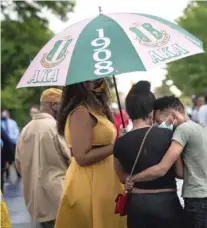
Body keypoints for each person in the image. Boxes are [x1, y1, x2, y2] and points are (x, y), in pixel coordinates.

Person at [127, 95, 207, 228]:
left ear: (173, 114)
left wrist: (132, 178)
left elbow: (161, 168)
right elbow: (180, 173)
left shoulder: (183, 129)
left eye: (159, 121)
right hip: (204, 200)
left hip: (199, 202)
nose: (159, 126)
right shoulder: (198, 127)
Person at [55, 78, 126, 228]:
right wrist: (117, 145)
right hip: (90, 181)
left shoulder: (96, 111)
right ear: (78, 85)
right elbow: (82, 157)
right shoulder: (80, 113)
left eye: (99, 81)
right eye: (89, 81)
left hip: (106, 178)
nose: (96, 84)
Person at [113, 81, 183, 228]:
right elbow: (179, 172)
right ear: (151, 112)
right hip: (166, 203)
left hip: (137, 205)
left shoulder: (119, 142)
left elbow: (121, 177)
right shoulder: (168, 135)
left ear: (129, 112)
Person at [15, 88, 70, 228]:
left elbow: (18, 164)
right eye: (63, 105)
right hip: (59, 198)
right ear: (54, 105)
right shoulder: (56, 128)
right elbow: (72, 160)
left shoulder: (25, 130)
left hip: (34, 202)